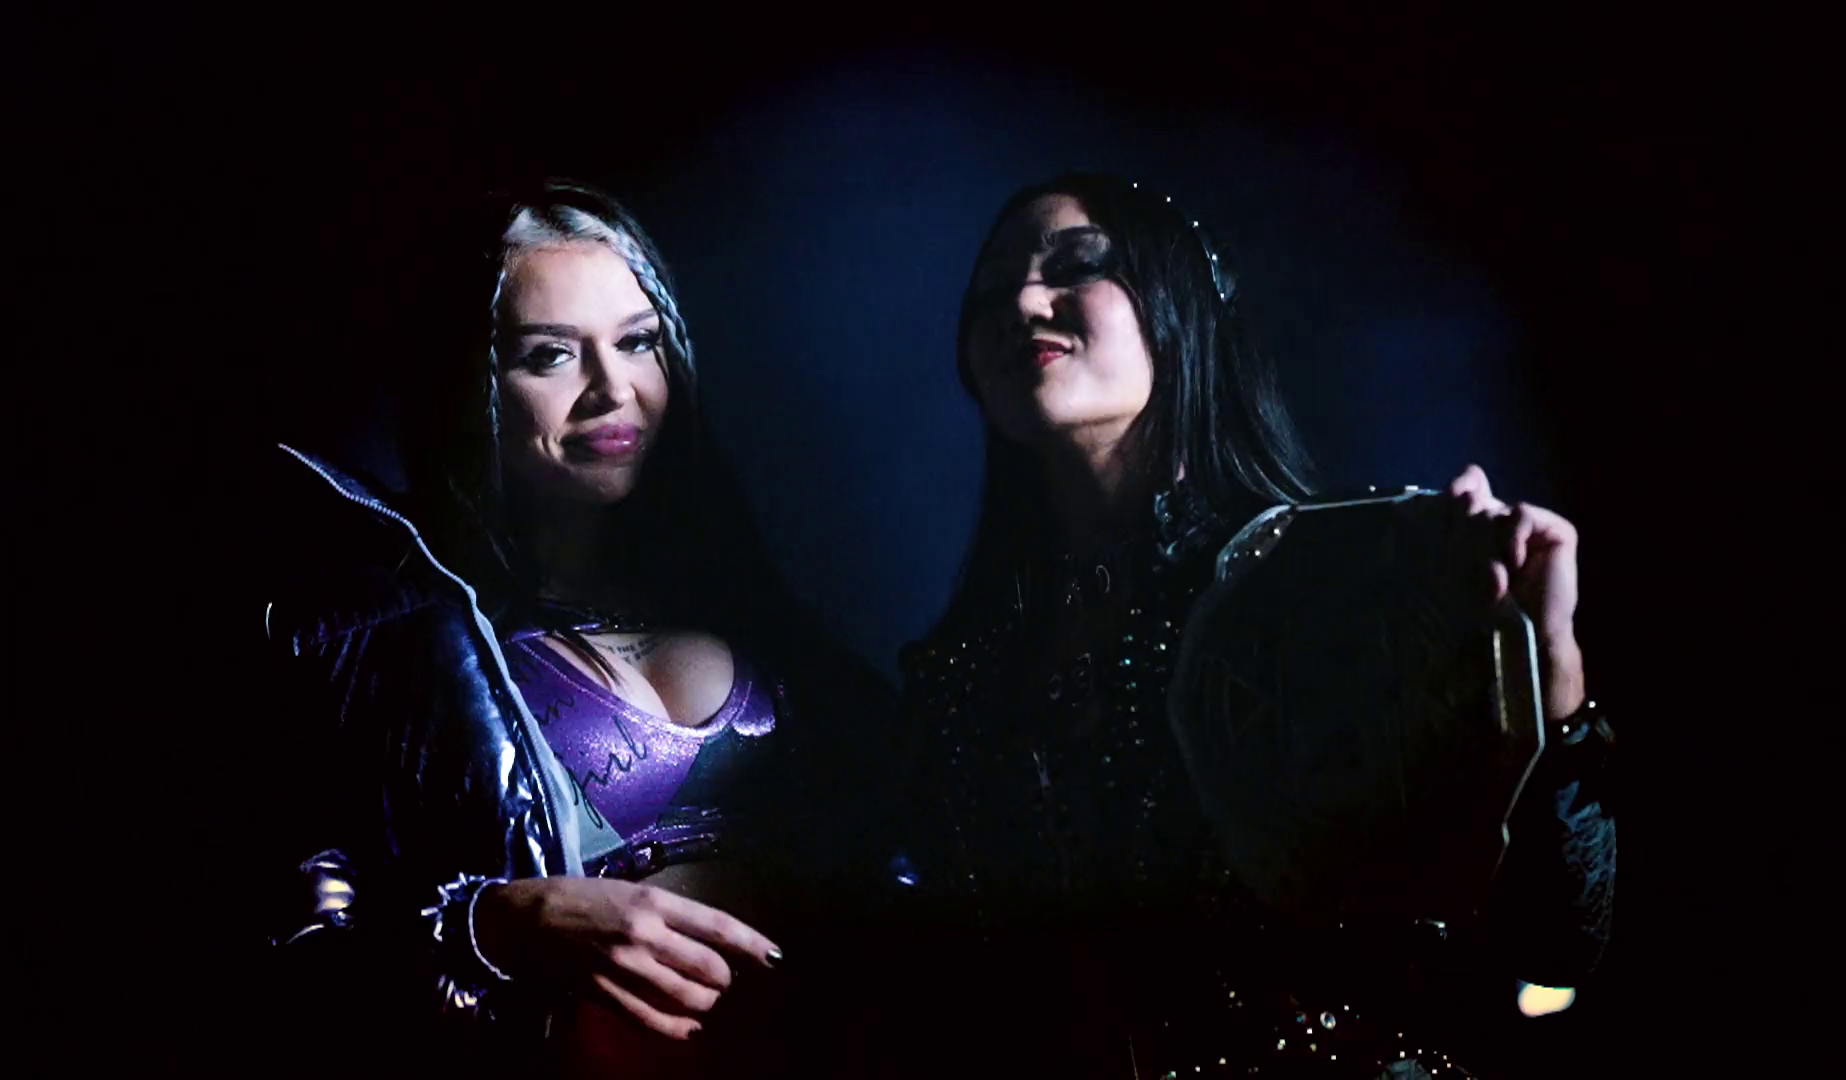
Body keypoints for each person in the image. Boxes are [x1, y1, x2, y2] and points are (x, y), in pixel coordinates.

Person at [889, 173, 1617, 1078]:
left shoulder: (1328, 583)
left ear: (1179, 306)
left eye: (1076, 267)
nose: (1025, 302)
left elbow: (1554, 947)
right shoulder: (963, 671)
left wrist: (1545, 675)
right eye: (993, 291)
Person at [254, 180, 895, 1075]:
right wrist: (496, 924)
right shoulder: (380, 636)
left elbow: (906, 863)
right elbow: (294, 955)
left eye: (638, 342)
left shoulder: (751, 600)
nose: (612, 390)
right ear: (468, 382)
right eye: (551, 355)